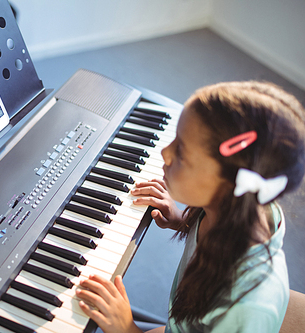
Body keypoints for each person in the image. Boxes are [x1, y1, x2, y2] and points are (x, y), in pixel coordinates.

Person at [76, 81, 305, 333]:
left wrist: (128, 329)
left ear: (229, 183)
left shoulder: (246, 308)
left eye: (181, 152)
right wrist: (182, 220)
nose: (165, 152)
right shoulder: (239, 205)